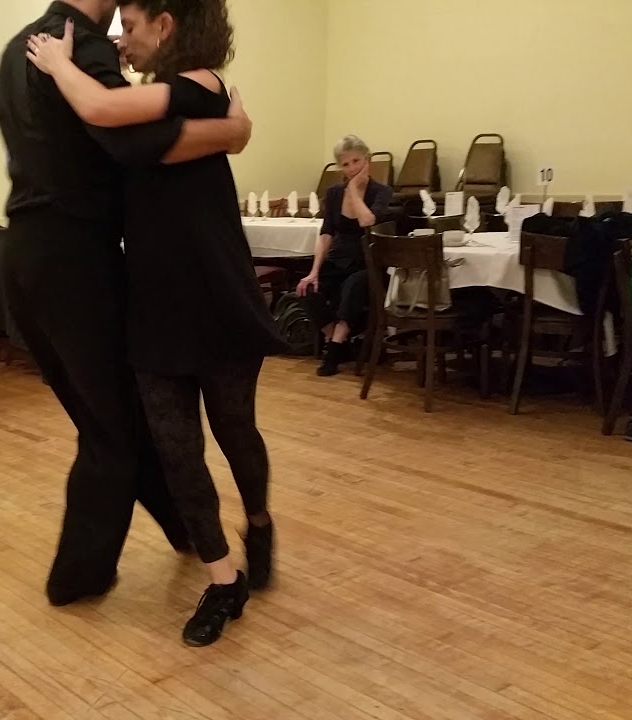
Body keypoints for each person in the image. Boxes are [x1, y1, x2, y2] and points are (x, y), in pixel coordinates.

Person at [27, 0, 285, 646]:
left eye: (131, 27)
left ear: (166, 27)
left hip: (216, 296)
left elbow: (102, 108)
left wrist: (60, 61)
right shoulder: (163, 108)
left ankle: (259, 519)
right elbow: (116, 126)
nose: (120, 39)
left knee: (234, 431)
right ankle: (224, 580)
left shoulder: (204, 85)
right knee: (177, 452)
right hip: (154, 305)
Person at [296, 135, 393, 377]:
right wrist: (314, 271)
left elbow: (367, 221)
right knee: (307, 288)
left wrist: (354, 191)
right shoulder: (333, 193)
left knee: (353, 285)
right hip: (339, 257)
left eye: (356, 161)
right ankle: (338, 341)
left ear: (367, 160)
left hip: (369, 259)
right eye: (345, 164)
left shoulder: (381, 191)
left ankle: (334, 351)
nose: (351, 168)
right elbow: (327, 232)